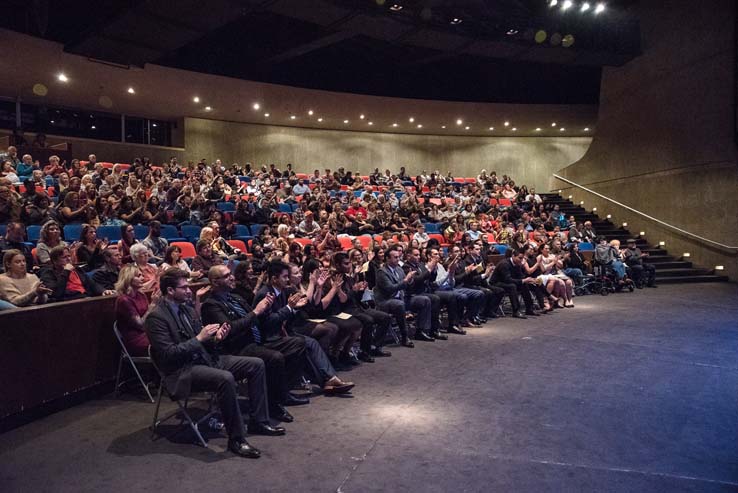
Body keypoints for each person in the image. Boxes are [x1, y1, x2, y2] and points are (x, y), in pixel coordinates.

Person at [144, 268, 284, 459]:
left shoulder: (186, 308)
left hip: (205, 359)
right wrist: (200, 338)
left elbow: (203, 339)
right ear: (170, 290)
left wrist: (217, 338)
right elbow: (169, 355)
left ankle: (258, 421)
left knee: (256, 364)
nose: (189, 291)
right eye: (184, 288)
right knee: (225, 378)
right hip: (182, 370)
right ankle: (236, 440)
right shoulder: (156, 317)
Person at [372, 245, 419, 348]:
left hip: (400, 298)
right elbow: (390, 288)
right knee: (399, 305)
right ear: (387, 258)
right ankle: (404, 336)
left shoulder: (399, 269)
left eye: (398, 257)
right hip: (385, 301)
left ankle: (423, 331)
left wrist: (410, 281)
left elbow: (406, 286)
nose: (398, 259)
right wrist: (406, 280)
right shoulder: (382, 272)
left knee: (422, 300)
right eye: (395, 257)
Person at [38, 245, 114, 301]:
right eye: (64, 257)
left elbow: (92, 284)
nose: (68, 259)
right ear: (54, 261)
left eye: (69, 256)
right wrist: (66, 272)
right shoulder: (48, 274)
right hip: (67, 304)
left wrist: (103, 291)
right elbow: (57, 293)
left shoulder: (77, 270)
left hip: (86, 299)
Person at [114, 264, 151, 357]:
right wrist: (153, 305)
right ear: (128, 279)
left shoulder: (141, 295)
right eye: (138, 276)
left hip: (148, 332)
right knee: (164, 343)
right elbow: (140, 325)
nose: (143, 278)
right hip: (136, 338)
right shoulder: (123, 300)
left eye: (142, 275)